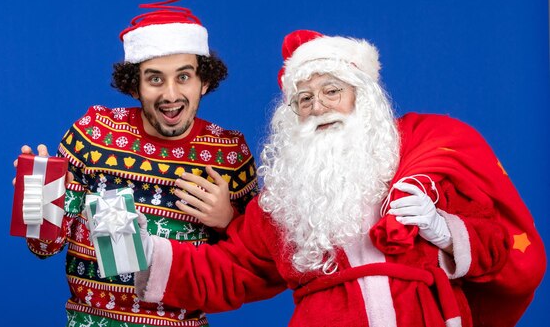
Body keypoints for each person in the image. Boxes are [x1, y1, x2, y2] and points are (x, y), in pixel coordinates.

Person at [134, 29, 545, 326]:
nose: (319, 106)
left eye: (332, 91)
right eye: (305, 99)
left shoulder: (419, 166)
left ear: (361, 97)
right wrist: (139, 249)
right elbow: (229, 269)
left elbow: (495, 242)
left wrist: (442, 230)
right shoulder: (284, 200)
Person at [14, 0, 259, 327]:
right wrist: (37, 200)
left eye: (184, 76)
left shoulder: (228, 154)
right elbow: (44, 247)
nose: (171, 93)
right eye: (155, 78)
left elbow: (254, 263)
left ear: (204, 81)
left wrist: (227, 220)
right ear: (134, 87)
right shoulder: (94, 133)